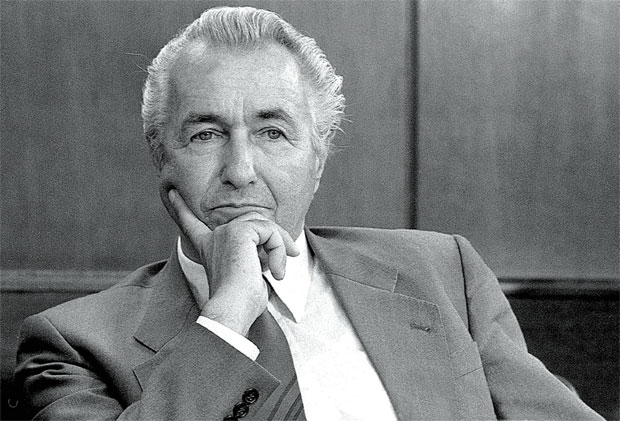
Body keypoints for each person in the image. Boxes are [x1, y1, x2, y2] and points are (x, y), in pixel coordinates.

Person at [15, 6, 603, 420]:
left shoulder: (443, 273)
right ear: (161, 157)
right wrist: (227, 315)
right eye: (205, 134)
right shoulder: (72, 345)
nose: (241, 169)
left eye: (272, 132)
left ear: (318, 159)